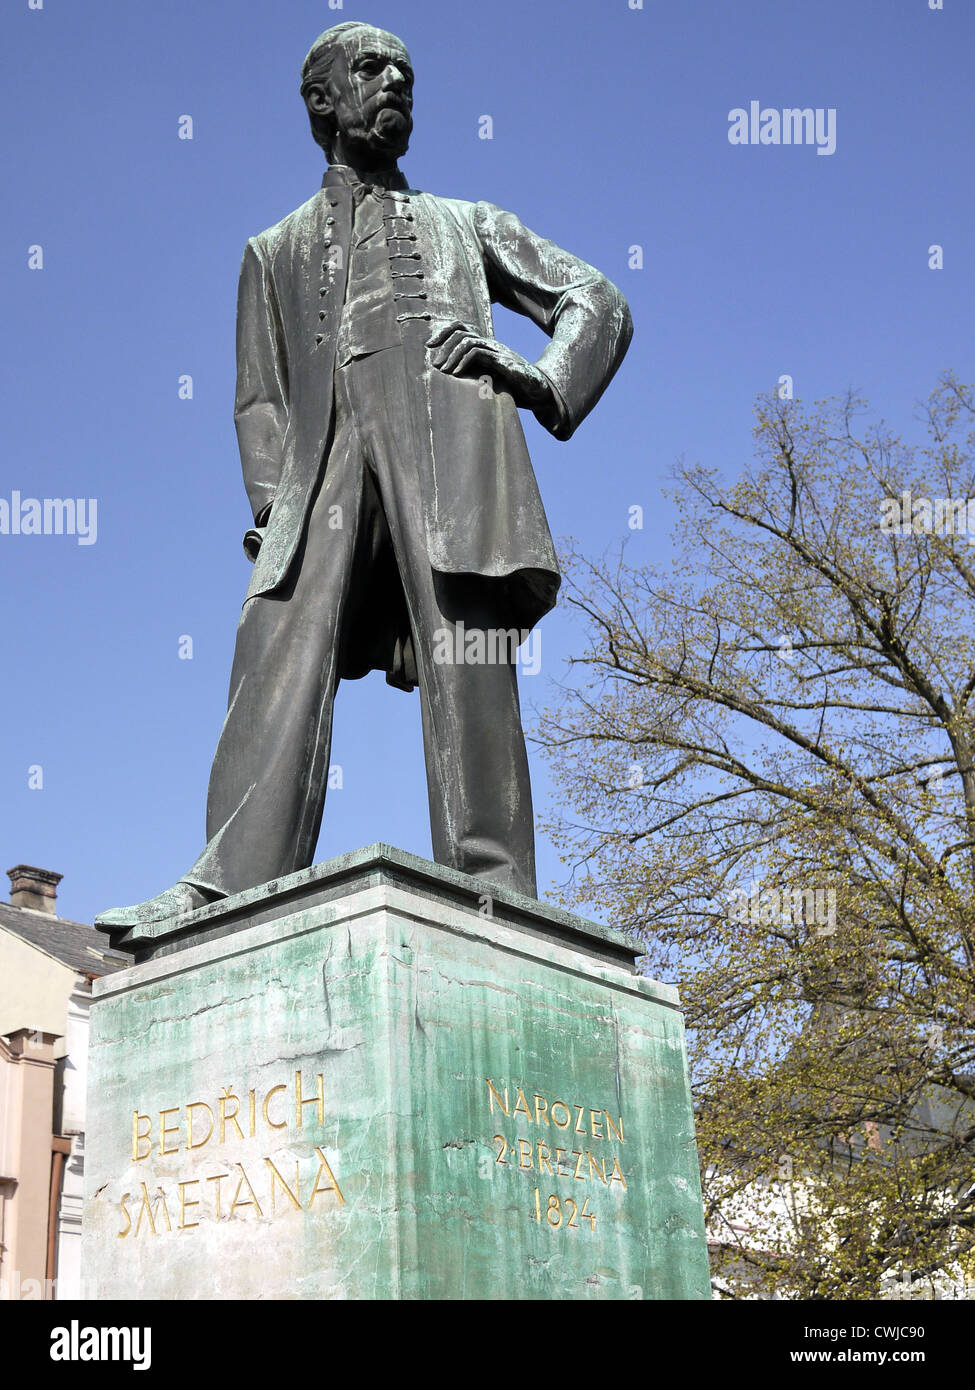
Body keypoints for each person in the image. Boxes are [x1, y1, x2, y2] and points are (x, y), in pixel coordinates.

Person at [97, 20, 631, 930]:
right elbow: (259, 398)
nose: (395, 84)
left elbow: (597, 299)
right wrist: (272, 505)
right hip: (321, 469)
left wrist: (537, 376)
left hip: (450, 452)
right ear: (320, 99)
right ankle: (225, 882)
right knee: (273, 635)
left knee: (469, 651)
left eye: (406, 73)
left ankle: (498, 888)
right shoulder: (273, 250)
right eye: (372, 68)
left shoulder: (467, 223)